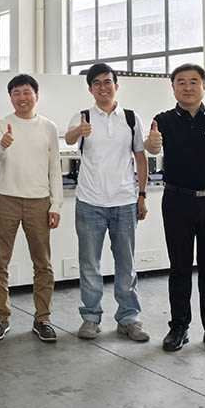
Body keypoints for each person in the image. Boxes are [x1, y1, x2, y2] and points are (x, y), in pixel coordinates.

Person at [144, 63, 205, 356]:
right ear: (173, 87)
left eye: (194, 81)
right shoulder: (163, 120)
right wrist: (151, 143)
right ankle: (179, 327)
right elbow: (152, 148)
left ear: (204, 86)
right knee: (180, 268)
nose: (188, 87)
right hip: (177, 201)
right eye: (181, 82)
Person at [64, 63, 150, 342]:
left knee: (127, 264)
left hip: (125, 201)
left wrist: (142, 195)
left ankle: (129, 318)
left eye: (107, 82)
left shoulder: (131, 118)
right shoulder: (83, 116)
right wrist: (79, 131)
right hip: (90, 202)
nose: (103, 87)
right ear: (90, 89)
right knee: (90, 264)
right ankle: (91, 318)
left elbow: (140, 157)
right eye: (97, 83)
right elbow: (69, 139)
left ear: (116, 85)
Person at [0, 74, 63, 343]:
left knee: (43, 264)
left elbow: (55, 168)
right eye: (16, 93)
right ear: (10, 97)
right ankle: (0, 318)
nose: (22, 97)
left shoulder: (48, 127)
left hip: (39, 202)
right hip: (5, 200)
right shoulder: (1, 124)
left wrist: (56, 204)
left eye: (27, 92)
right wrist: (3, 144)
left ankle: (43, 319)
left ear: (36, 96)